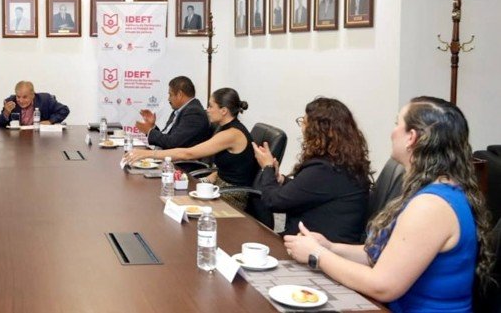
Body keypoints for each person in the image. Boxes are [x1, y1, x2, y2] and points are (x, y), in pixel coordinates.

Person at [284, 97, 493, 311]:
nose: (392, 132)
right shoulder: (437, 191)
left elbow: (382, 286)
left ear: (411, 137)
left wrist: (317, 255)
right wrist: (330, 247)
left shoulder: (431, 206)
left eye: (397, 124)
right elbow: (384, 256)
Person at [252, 97, 371, 243]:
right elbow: (307, 191)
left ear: (318, 131)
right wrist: (281, 179)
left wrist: (267, 167)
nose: (302, 128)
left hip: (319, 248)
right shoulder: (341, 162)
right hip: (312, 242)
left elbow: (274, 202)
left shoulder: (325, 169)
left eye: (305, 122)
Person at [126, 88, 257, 207]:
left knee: (174, 205)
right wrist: (203, 180)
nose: (207, 110)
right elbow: (230, 168)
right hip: (217, 187)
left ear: (224, 111)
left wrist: (148, 154)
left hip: (231, 196)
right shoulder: (225, 128)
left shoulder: (232, 134)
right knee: (170, 200)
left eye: (211, 106)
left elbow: (188, 153)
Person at [134, 76, 212, 150]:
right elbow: (167, 138)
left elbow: (172, 143)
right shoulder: (180, 111)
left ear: (180, 95)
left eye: (170, 95)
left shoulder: (194, 113)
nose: (169, 99)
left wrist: (149, 131)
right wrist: (152, 127)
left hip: (178, 159)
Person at [0, 81, 69, 127]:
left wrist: (50, 121)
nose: (21, 100)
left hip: (40, 139)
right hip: (18, 139)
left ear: (32, 95)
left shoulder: (45, 99)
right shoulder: (10, 102)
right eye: (18, 97)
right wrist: (6, 112)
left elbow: (64, 110)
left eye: (25, 97)